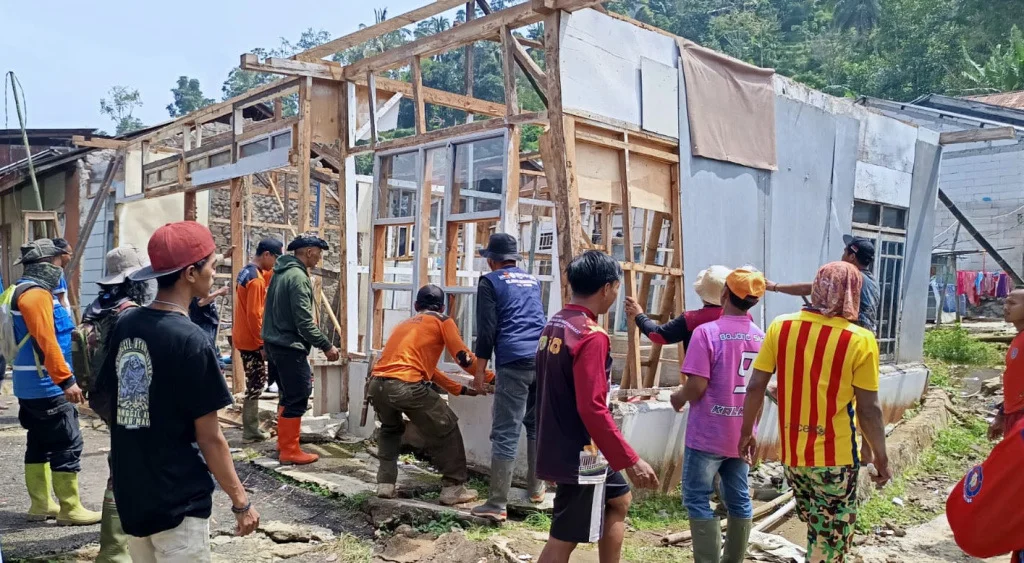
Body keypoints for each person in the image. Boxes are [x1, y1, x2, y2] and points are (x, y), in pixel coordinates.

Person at [93, 221, 259, 561]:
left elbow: (106, 399)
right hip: (177, 498)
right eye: (212, 265)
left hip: (133, 493)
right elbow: (210, 438)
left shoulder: (128, 324)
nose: (215, 273)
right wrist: (241, 502)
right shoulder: (192, 341)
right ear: (190, 273)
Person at [739, 261, 891, 563]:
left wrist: (747, 433)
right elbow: (869, 410)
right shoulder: (859, 340)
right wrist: (880, 456)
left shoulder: (781, 327)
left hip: (794, 458)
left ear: (817, 287)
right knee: (830, 542)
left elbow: (756, 386)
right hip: (835, 459)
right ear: (853, 292)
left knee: (818, 531)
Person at [535, 250, 659, 563]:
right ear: (606, 288)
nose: (616, 295)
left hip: (563, 443)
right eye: (617, 287)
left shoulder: (556, 324)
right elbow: (592, 407)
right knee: (563, 539)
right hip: (583, 452)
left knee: (619, 500)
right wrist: (631, 459)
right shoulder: (591, 336)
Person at [671, 268, 766, 563]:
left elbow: (697, 386)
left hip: (707, 435)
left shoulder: (707, 332)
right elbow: (760, 388)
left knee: (697, 497)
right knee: (738, 499)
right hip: (741, 434)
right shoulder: (761, 337)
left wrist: (678, 396)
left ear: (724, 294)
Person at [369, 284, 492, 505]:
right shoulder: (442, 321)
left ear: (416, 306)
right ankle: (453, 488)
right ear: (443, 307)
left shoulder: (404, 325)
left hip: (377, 385)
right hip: (405, 386)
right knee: (447, 426)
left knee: (390, 429)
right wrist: (490, 377)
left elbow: (429, 371)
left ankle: (385, 485)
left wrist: (460, 389)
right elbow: (463, 358)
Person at [9, 239, 100, 526]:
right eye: (60, 261)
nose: (62, 266)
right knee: (66, 443)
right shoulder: (35, 296)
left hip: (28, 385)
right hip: (46, 384)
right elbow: (46, 342)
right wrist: (67, 381)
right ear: (47, 263)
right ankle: (70, 508)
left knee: (38, 441)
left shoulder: (19, 291)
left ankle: (40, 505)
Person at [470, 234, 549, 522]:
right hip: (543, 357)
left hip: (514, 360)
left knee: (506, 431)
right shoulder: (533, 280)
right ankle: (537, 490)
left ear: (491, 260)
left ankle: (496, 503)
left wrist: (479, 374)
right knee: (535, 423)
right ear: (515, 258)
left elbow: (487, 331)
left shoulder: (490, 281)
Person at [81, 245, 151, 563]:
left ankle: (119, 543)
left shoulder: (95, 308)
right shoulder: (130, 312)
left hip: (100, 396)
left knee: (123, 464)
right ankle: (113, 549)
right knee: (126, 467)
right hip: (125, 400)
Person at [262, 232, 341, 465]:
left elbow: (269, 312)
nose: (319, 258)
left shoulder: (280, 273)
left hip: (276, 344)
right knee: (298, 395)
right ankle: (290, 451)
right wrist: (326, 345)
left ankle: (283, 444)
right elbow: (304, 322)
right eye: (318, 253)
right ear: (308, 251)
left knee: (287, 395)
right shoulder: (297, 277)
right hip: (290, 347)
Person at [765, 235, 879, 333]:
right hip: (865, 335)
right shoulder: (871, 281)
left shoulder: (852, 278)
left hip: (852, 338)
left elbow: (807, 289)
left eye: (845, 251)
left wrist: (775, 286)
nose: (842, 256)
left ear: (852, 257)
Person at [233, 238, 283, 442]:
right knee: (256, 384)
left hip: (243, 336)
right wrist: (262, 343)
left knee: (256, 381)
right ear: (266, 255)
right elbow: (255, 315)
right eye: (275, 258)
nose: (275, 264)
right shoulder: (256, 280)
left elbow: (269, 275)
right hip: (251, 340)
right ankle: (251, 430)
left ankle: (250, 428)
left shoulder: (248, 271)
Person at [624, 265, 731, 350]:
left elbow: (658, 335)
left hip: (699, 377)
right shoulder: (743, 318)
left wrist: (639, 316)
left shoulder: (691, 319)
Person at [988, 288, 1024, 440]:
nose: (1005, 307)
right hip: (1013, 413)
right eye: (1005, 302)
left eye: (1012, 303)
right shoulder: (1018, 339)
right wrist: (1002, 414)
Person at [52, 238, 74, 317]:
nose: (70, 259)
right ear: (63, 254)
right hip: (60, 321)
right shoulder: (57, 273)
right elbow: (61, 301)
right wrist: (67, 322)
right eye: (70, 255)